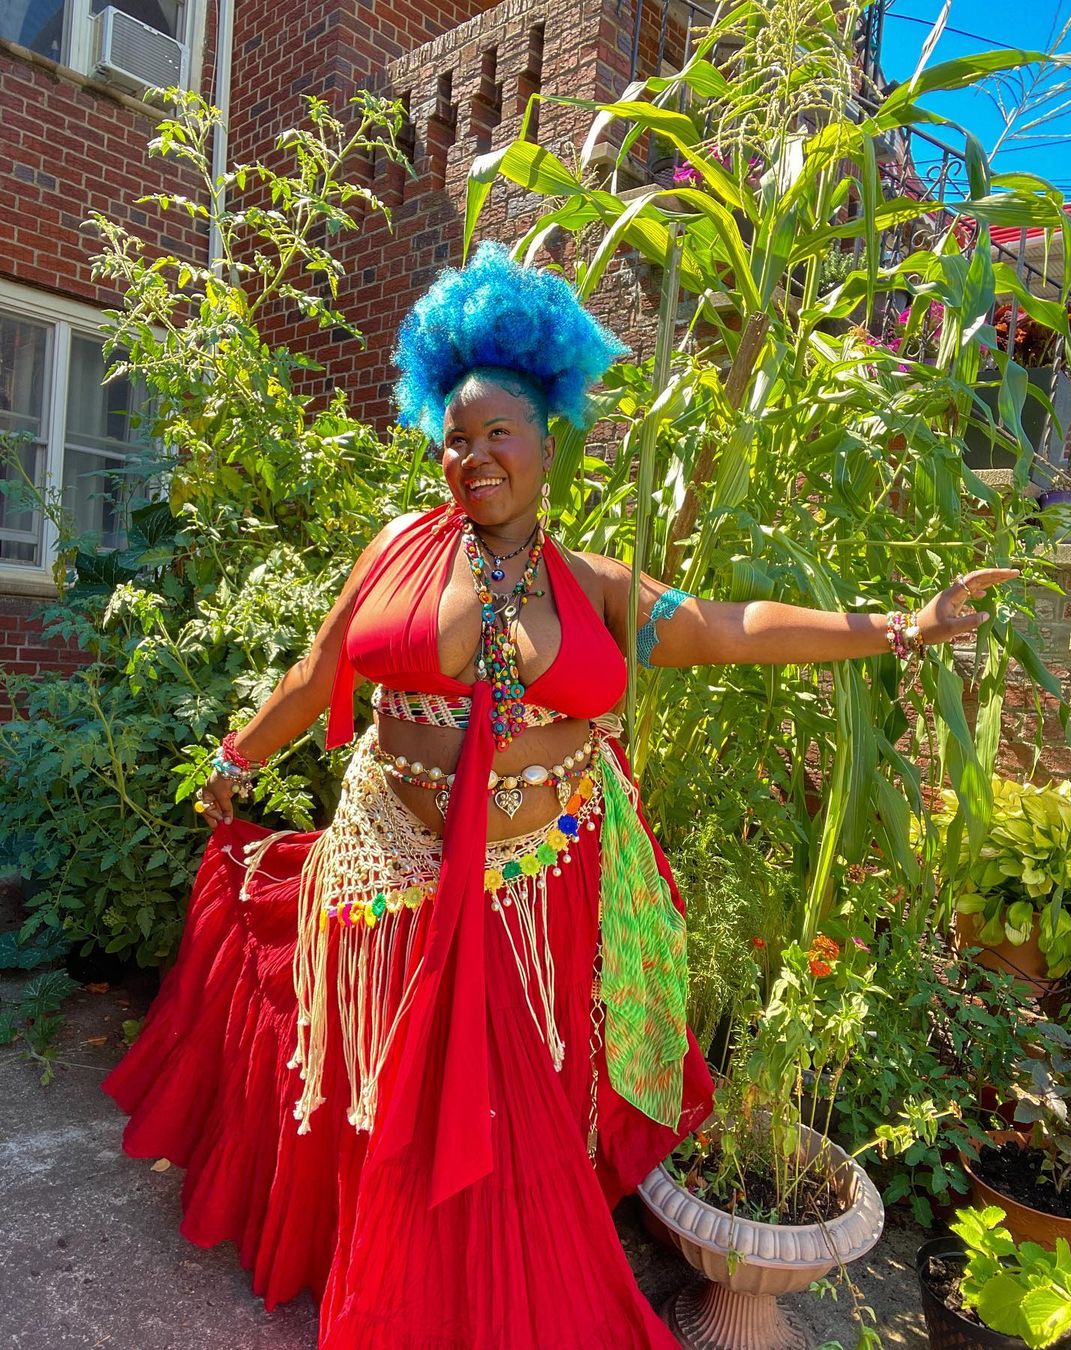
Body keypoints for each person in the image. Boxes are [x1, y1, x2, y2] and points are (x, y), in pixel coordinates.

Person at [103, 243, 1017, 1348]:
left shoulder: (590, 583)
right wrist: (236, 760)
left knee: (504, 1112)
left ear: (548, 441)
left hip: (535, 890)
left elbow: (730, 627)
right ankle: (389, 1283)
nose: (473, 456)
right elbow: (314, 674)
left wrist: (903, 625)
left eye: (499, 433)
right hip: (390, 869)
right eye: (456, 436)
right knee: (390, 1091)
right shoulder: (396, 552)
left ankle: (479, 1300)